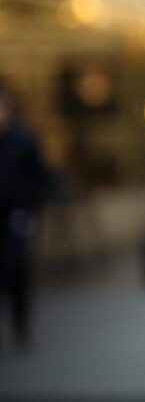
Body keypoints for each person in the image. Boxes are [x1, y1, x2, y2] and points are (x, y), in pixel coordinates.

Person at [0, 82, 49, 351]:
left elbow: (39, 178)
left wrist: (28, 209)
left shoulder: (23, 140)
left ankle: (20, 324)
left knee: (16, 268)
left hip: (15, 215)